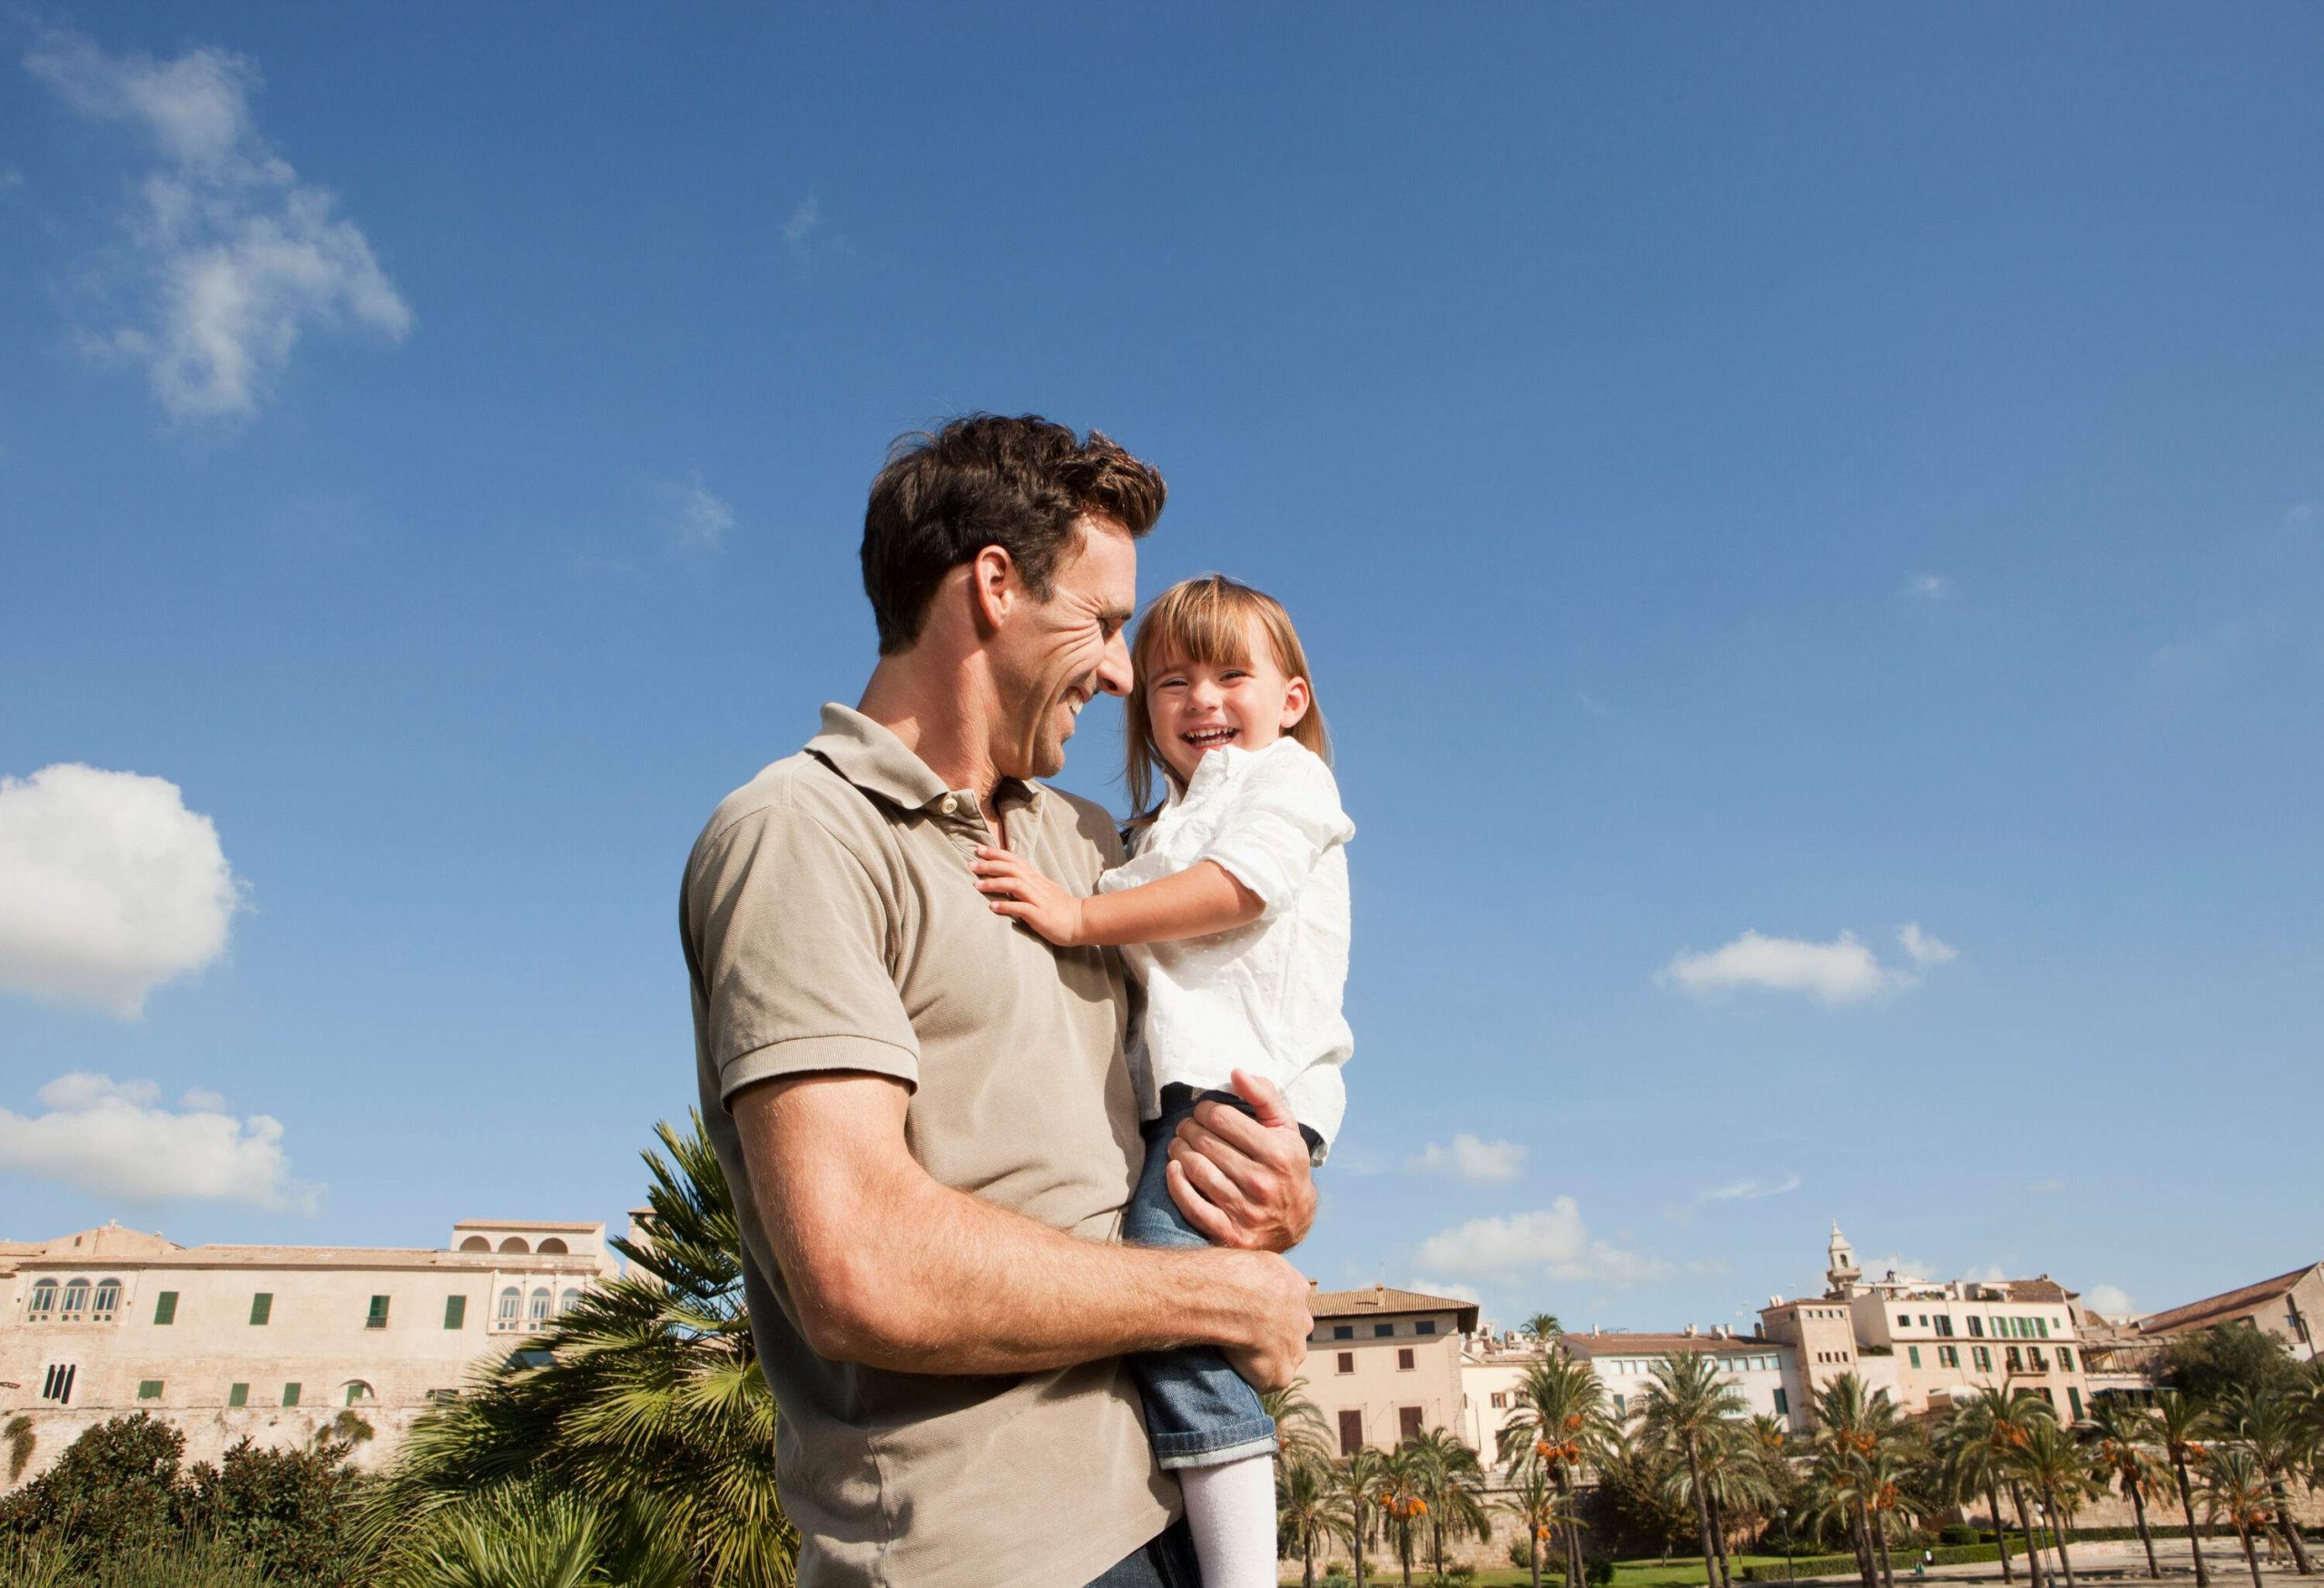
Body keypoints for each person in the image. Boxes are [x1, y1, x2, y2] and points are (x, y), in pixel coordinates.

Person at [679, 416, 1319, 1588]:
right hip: (998, 1556)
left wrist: (1270, 1190)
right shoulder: (800, 835)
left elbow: (1197, 1081)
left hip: (1172, 1504)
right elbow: (862, 1265)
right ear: (992, 586)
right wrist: (1214, 1291)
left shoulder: (1091, 844)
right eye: (1108, 622)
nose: (1127, 673)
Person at [971, 575, 1354, 1588]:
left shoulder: (1287, 786)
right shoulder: (1156, 829)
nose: (1201, 700)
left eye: (1233, 675)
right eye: (1171, 682)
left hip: (1239, 1089)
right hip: (1189, 1092)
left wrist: (1076, 917)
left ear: (1291, 700)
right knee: (1172, 1297)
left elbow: (1238, 892)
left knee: (1171, 1283)